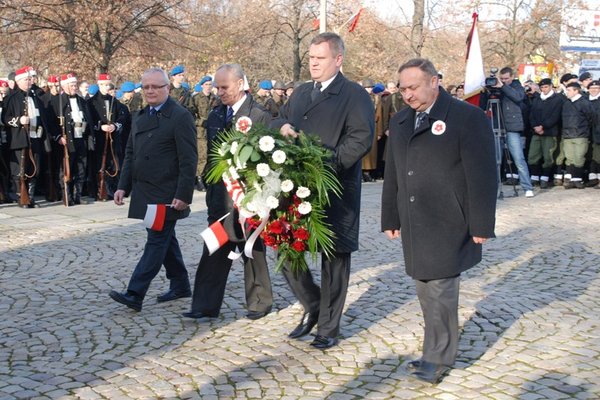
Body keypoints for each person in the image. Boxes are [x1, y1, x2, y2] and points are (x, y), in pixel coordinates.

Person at [381, 58, 497, 384]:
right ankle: (433, 351)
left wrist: (481, 224)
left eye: (414, 87)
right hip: (415, 219)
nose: (407, 94)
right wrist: (390, 215)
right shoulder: (402, 120)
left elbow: (483, 175)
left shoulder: (466, 117)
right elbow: (393, 173)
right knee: (424, 288)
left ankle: (439, 357)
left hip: (450, 218)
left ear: (434, 82)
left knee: (442, 289)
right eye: (403, 88)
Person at [272, 32, 374, 350]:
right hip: (297, 188)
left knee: (334, 259)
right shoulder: (302, 92)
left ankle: (328, 327)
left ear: (338, 59)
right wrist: (281, 128)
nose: (313, 64)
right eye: (311, 58)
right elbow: (283, 120)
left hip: (335, 187)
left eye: (320, 58)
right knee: (287, 250)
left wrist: (326, 167)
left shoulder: (355, 95)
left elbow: (360, 139)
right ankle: (313, 304)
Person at [183, 63, 273, 321]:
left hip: (248, 196)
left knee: (252, 247)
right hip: (219, 196)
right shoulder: (215, 115)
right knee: (213, 247)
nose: (219, 92)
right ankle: (204, 305)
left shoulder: (258, 115)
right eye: (217, 87)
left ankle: (259, 302)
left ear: (241, 83)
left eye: (225, 87)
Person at [109, 67, 197, 312]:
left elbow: (188, 159)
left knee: (156, 241)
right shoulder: (139, 116)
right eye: (146, 86)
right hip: (145, 190)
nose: (150, 91)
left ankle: (135, 292)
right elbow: (130, 153)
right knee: (165, 240)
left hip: (167, 193)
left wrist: (183, 195)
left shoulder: (180, 116)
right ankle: (180, 285)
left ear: (166, 88)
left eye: (155, 86)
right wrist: (123, 187)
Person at [484, 67, 534, 197]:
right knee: (495, 159)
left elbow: (518, 97)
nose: (504, 81)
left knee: (518, 158)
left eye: (506, 79)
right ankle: (493, 188)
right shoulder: (496, 87)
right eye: (502, 79)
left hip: (512, 126)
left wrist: (503, 87)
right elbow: (485, 104)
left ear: (512, 77)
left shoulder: (516, 87)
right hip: (496, 124)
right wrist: (487, 90)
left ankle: (527, 187)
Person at [52, 73, 93, 205]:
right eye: (71, 85)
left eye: (75, 85)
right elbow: (52, 122)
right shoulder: (57, 101)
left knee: (81, 167)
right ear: (64, 86)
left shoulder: (81, 101)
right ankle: (67, 195)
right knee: (66, 168)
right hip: (66, 141)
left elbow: (88, 119)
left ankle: (78, 195)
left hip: (80, 138)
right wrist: (58, 136)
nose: (74, 87)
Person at [527, 78, 564, 189]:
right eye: (542, 87)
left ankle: (545, 177)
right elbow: (532, 115)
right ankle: (534, 177)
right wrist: (535, 126)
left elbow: (555, 116)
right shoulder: (537, 99)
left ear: (551, 86)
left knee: (548, 157)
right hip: (536, 132)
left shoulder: (558, 99)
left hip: (549, 132)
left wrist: (543, 127)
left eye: (546, 87)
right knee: (532, 156)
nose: (544, 89)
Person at [561, 82, 594, 189]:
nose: (567, 92)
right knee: (569, 158)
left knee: (579, 157)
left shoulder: (585, 103)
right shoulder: (566, 103)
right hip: (567, 135)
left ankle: (577, 179)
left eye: (569, 90)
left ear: (576, 91)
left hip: (580, 134)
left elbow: (591, 118)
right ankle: (571, 179)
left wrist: (583, 128)